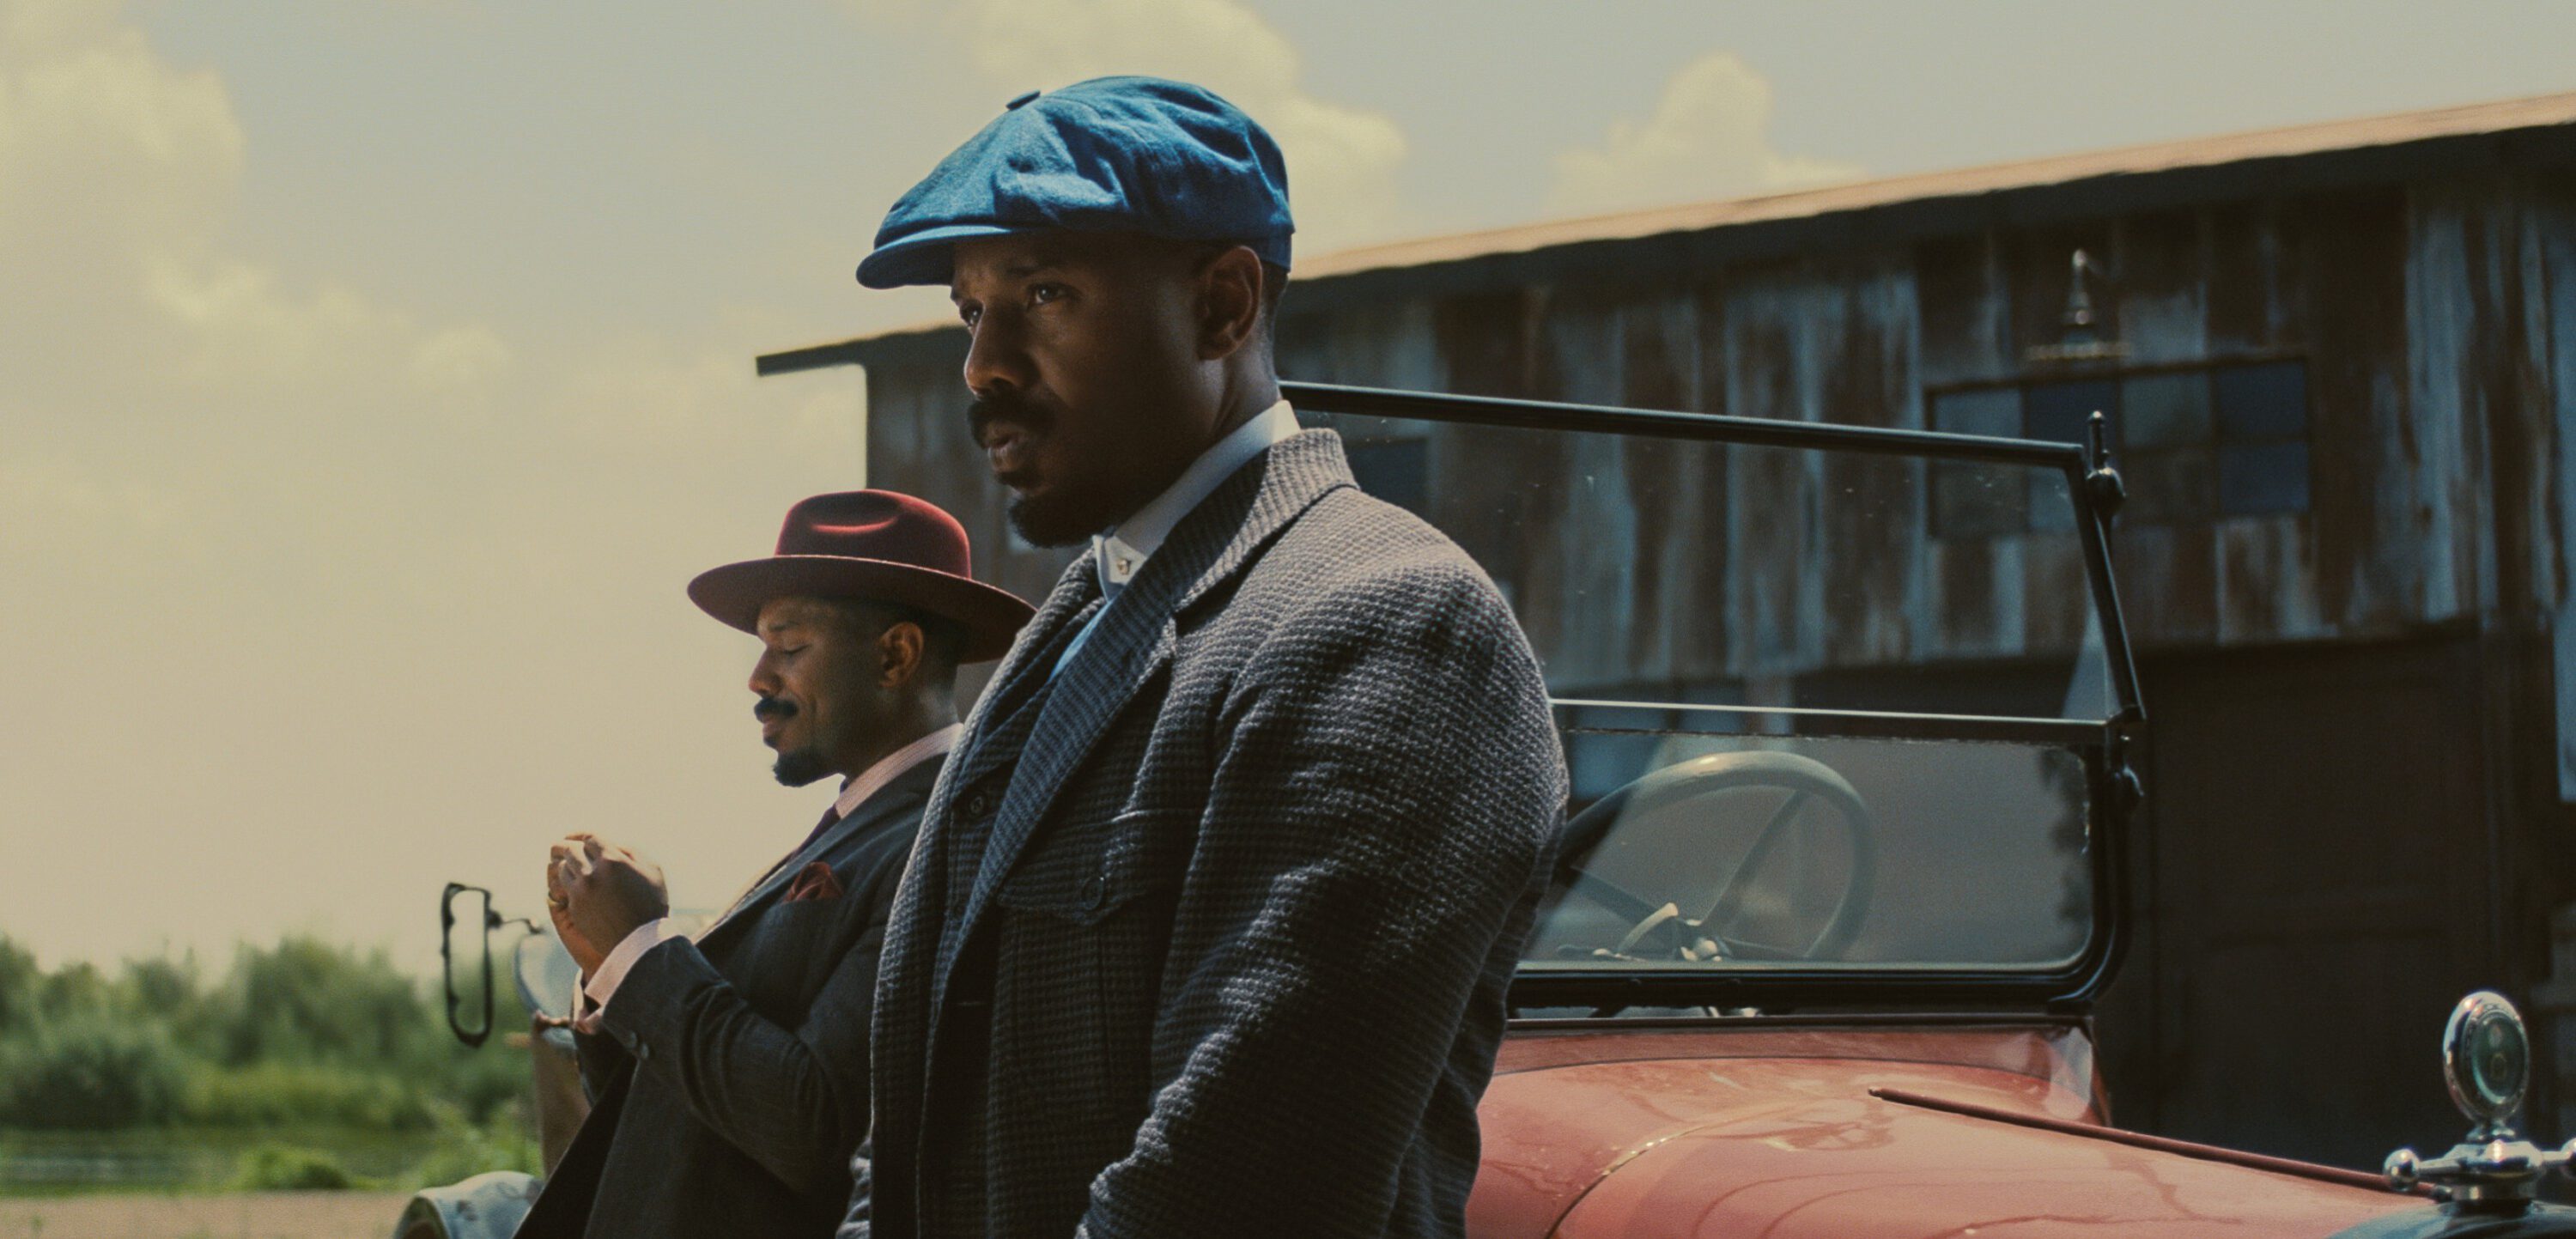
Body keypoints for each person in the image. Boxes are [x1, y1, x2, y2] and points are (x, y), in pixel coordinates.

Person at [841, 76, 1568, 1239]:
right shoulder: (1075, 626)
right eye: (970, 311)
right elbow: (915, 1135)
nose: (983, 364)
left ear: (1224, 305)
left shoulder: (1382, 619)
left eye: (1044, 293)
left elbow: (1233, 1190)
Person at [514, 491, 1034, 1239]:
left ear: (895, 655)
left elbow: (814, 1127)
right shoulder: (858, 832)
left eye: (788, 647)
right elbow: (697, 1110)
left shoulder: (944, 841)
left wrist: (641, 953)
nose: (758, 678)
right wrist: (611, 969)